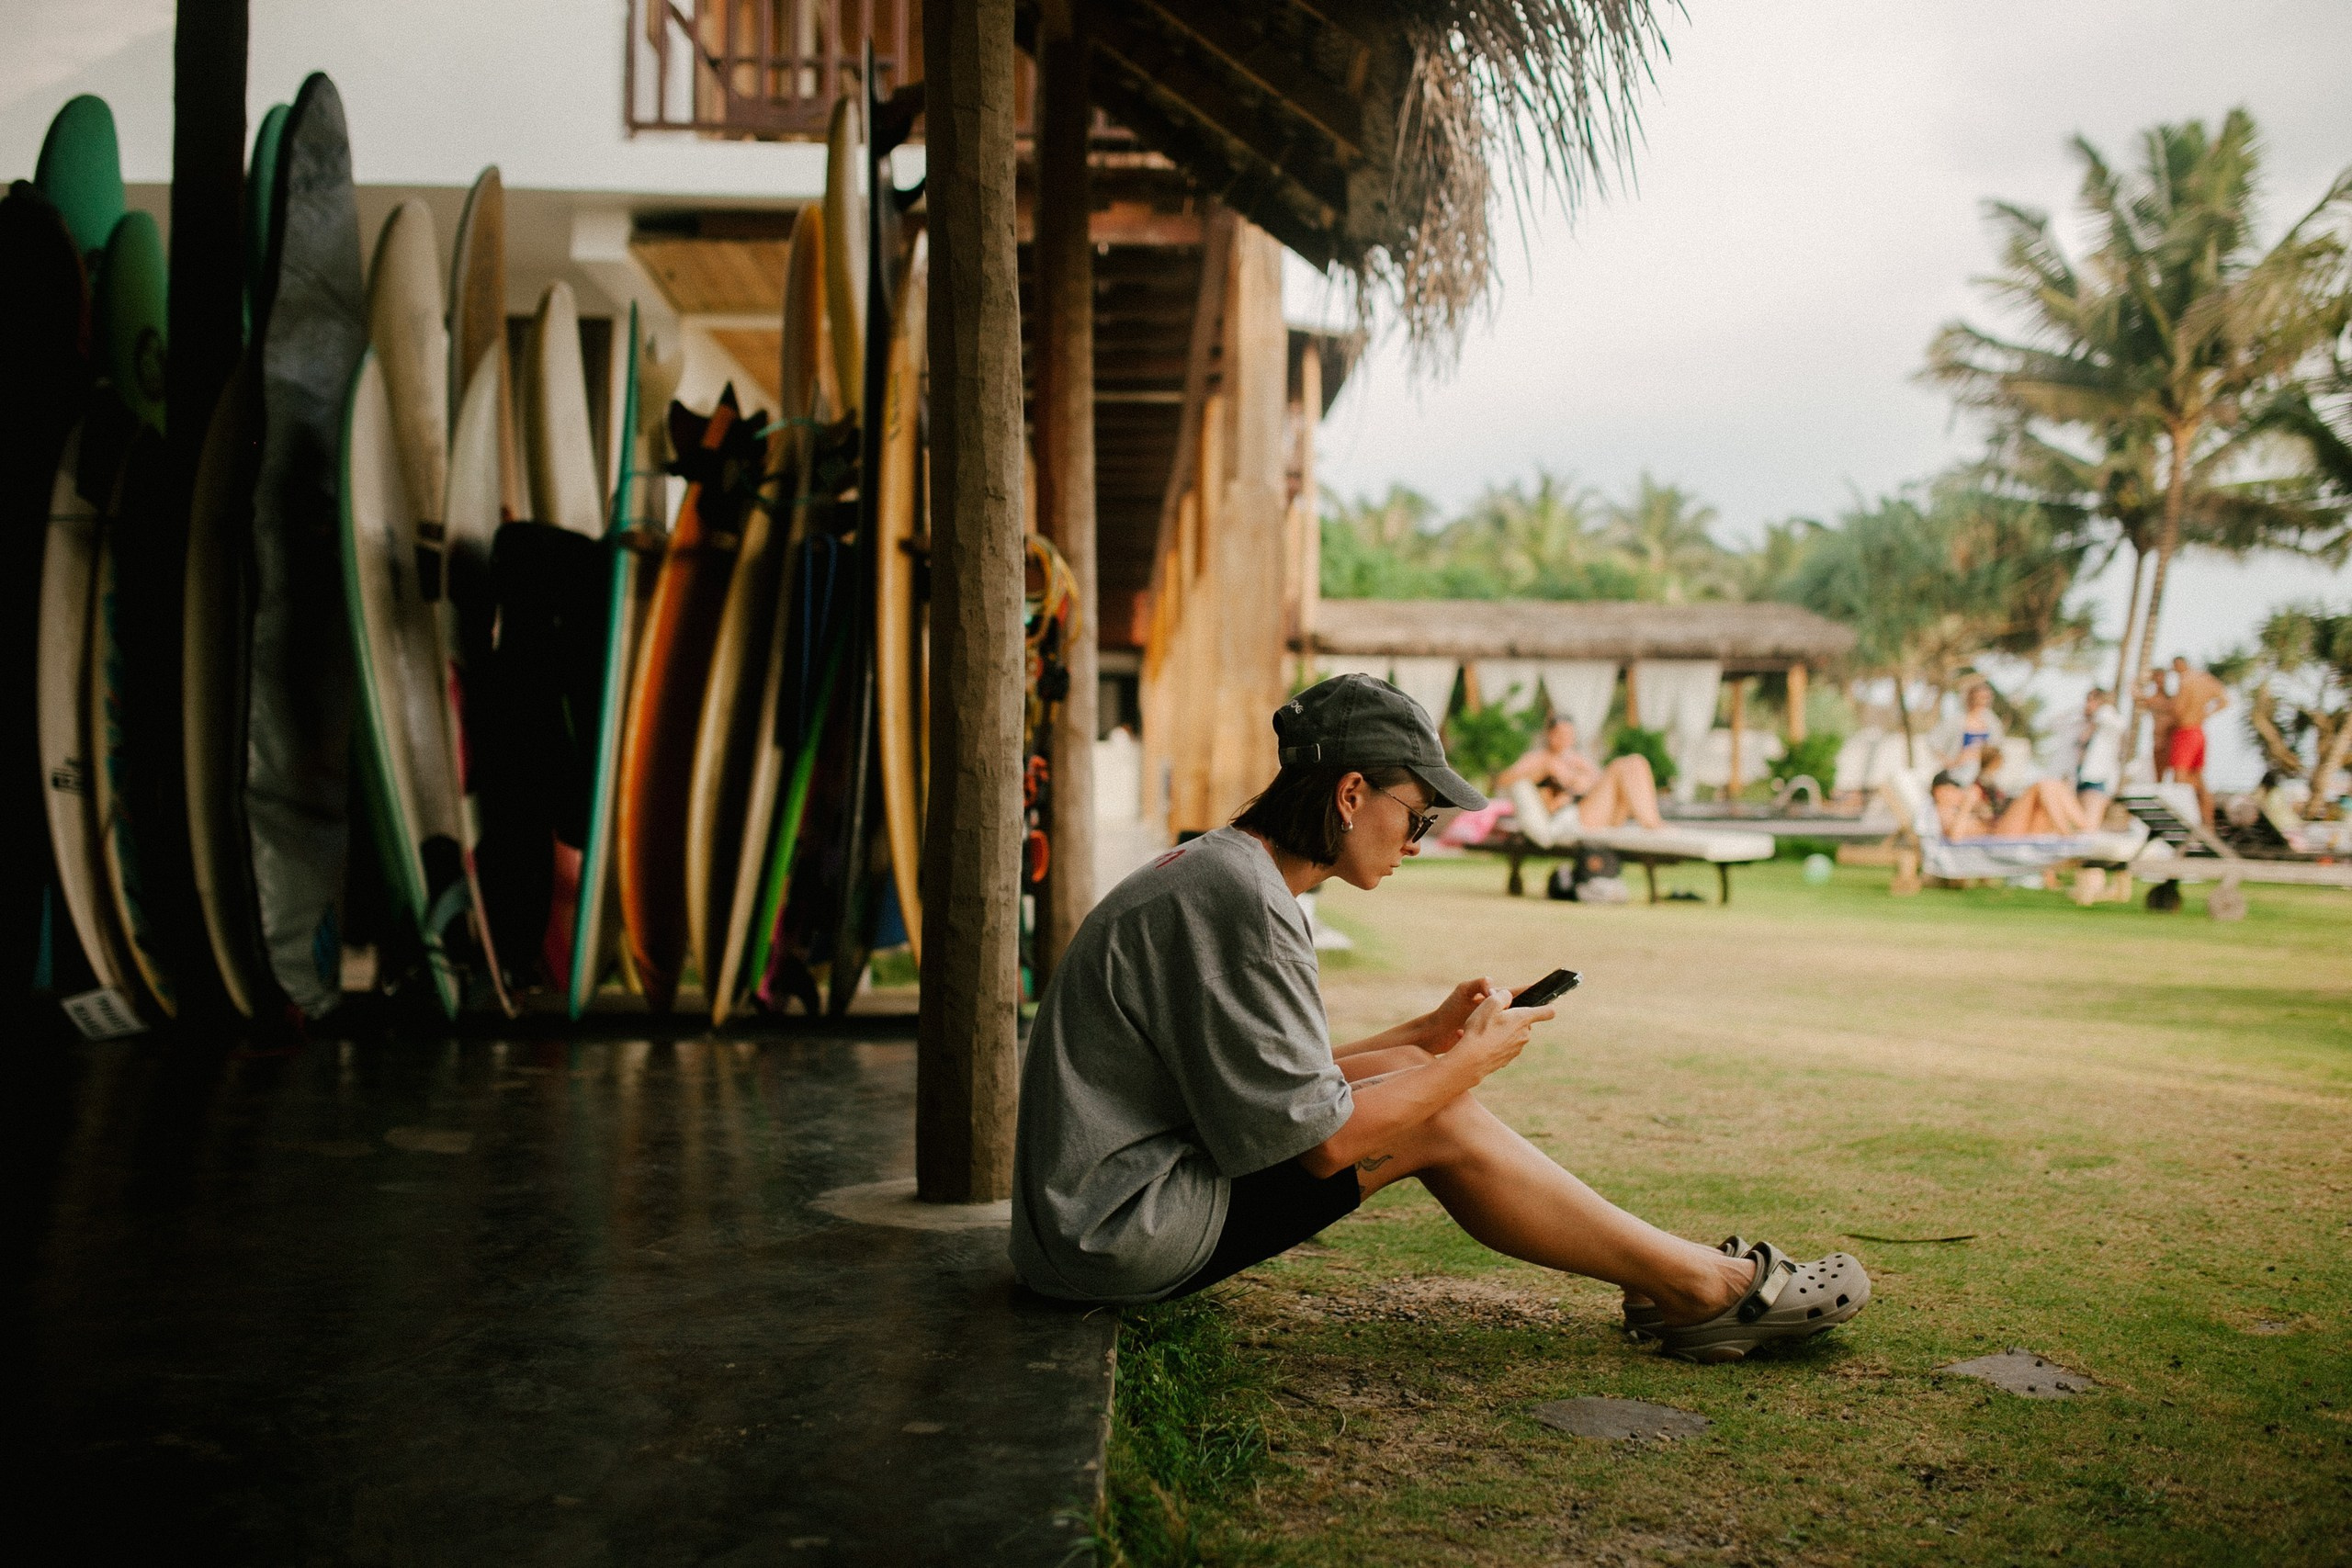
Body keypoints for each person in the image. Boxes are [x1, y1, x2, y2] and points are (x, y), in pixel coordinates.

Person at [1010, 674, 1871, 1363]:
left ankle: (1670, 1279)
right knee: (1441, 1115)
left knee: (1411, 1083)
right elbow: (1326, 1142)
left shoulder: (1223, 869)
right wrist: (1467, 1064)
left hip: (1087, 1215)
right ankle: (1701, 1287)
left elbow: (1278, 1090)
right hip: (1117, 1234)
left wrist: (1420, 1038)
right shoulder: (1243, 899)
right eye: (1416, 814)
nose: (1417, 840)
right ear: (1352, 792)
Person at [1494, 716, 1667, 848]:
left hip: (1598, 812)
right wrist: (1543, 770)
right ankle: (1652, 824)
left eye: (1570, 735)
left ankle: (1653, 821)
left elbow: (1603, 784)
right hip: (1571, 818)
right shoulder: (1539, 758)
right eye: (1561, 734)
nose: (1565, 739)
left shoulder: (1577, 760)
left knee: (1637, 762)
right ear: (1550, 734)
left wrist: (1582, 781)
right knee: (1620, 765)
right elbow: (1502, 780)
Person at [1930, 745, 2095, 839]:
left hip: (2002, 826)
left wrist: (1978, 808)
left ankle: (2085, 829)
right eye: (1952, 788)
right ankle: (2069, 834)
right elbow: (1954, 836)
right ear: (1939, 792)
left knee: (2052, 784)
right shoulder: (1943, 812)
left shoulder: (1960, 803)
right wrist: (1968, 806)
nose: (1958, 791)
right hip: (2000, 833)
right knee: (2043, 785)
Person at [2164, 655, 2228, 826]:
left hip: (2185, 732)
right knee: (2198, 780)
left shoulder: (2185, 681)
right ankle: (2209, 824)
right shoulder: (2204, 679)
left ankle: (2183, 825)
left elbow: (2177, 710)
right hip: (2198, 732)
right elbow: (2225, 700)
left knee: (2180, 779)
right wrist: (2205, 714)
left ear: (2178, 665)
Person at [2072, 688, 2126, 815]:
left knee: (2088, 822)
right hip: (2085, 776)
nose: (2087, 705)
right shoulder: (2093, 720)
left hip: (2097, 778)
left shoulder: (2106, 715)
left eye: (2091, 700)